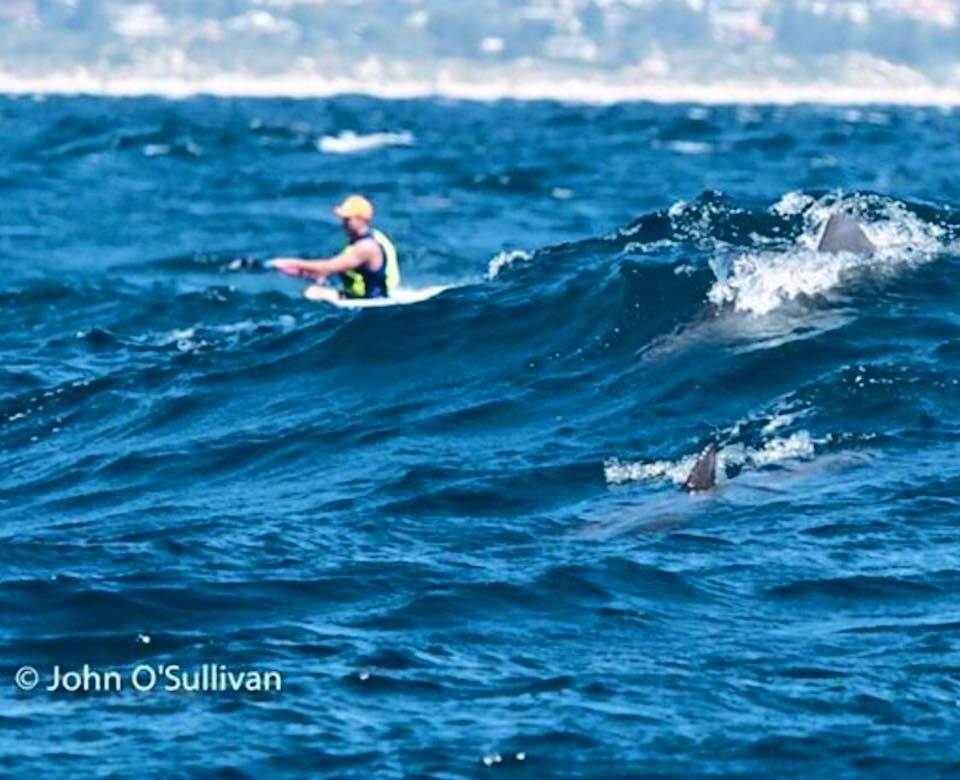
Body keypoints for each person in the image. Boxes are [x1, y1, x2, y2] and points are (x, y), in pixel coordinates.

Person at [270, 195, 400, 302]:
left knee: (312, 294)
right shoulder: (370, 237)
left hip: (371, 301)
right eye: (343, 219)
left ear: (362, 219)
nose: (343, 223)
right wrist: (305, 272)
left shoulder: (365, 247)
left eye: (348, 219)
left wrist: (289, 262)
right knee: (315, 290)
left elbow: (327, 267)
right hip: (358, 295)